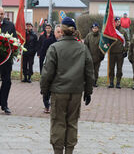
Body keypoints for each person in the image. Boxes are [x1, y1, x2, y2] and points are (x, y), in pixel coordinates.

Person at [40, 17, 94, 154]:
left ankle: (58, 151)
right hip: (76, 92)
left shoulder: (55, 47)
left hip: (59, 92)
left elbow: (47, 72)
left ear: (61, 31)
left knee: (58, 122)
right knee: (72, 122)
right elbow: (89, 72)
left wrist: (44, 91)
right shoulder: (83, 48)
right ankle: (69, 150)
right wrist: (88, 92)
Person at [41, 24, 62, 113]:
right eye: (58, 32)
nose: (60, 34)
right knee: (47, 88)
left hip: (60, 70)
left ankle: (56, 106)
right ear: (54, 32)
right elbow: (42, 56)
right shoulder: (48, 41)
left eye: (61, 32)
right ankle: (46, 105)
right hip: (49, 68)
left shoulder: (64, 43)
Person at [108, 17, 129, 89]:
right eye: (116, 21)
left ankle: (118, 82)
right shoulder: (110, 30)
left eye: (119, 22)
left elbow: (127, 41)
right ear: (114, 22)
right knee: (111, 68)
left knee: (119, 69)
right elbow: (106, 39)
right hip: (111, 52)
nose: (117, 23)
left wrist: (125, 50)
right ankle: (111, 82)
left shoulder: (123, 31)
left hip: (120, 53)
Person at [84, 23, 105, 87]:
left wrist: (102, 55)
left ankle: (95, 82)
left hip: (98, 57)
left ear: (98, 28)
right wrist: (86, 54)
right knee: (89, 71)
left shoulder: (101, 36)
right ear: (92, 29)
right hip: (90, 56)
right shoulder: (88, 36)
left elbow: (103, 46)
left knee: (96, 70)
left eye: (96, 28)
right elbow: (85, 45)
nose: (94, 29)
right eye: (93, 28)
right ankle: (89, 81)